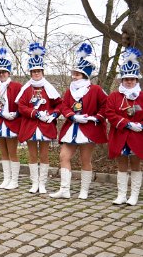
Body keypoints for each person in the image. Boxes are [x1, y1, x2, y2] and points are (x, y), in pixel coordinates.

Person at [50, 43, 108, 199]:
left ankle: (84, 190)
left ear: (85, 75)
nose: (74, 77)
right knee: (64, 156)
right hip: (72, 127)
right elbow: (63, 105)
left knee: (85, 160)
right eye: (74, 74)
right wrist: (71, 115)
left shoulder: (95, 89)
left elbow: (106, 105)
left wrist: (96, 117)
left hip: (88, 129)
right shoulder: (70, 90)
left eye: (77, 74)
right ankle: (65, 189)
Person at [16, 43, 62, 194]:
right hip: (30, 125)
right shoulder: (26, 89)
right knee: (32, 154)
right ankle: (34, 183)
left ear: (42, 71)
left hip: (45, 126)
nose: (36, 73)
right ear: (30, 72)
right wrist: (35, 113)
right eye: (34, 71)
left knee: (44, 154)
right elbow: (21, 106)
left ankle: (42, 183)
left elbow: (59, 105)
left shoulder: (49, 88)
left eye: (38, 71)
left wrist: (53, 114)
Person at [105, 47, 143, 206]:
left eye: (132, 79)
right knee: (121, 164)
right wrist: (127, 123)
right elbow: (110, 113)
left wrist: (140, 125)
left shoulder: (142, 96)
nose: (129, 81)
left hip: (137, 135)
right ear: (122, 80)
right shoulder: (114, 95)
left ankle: (134, 195)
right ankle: (121, 194)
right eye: (126, 79)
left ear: (137, 80)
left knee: (135, 163)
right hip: (120, 134)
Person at [0, 47, 22, 189]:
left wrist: (16, 113)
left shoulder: (17, 86)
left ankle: (14, 180)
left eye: (4, 72)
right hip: (0, 121)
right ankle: (6, 178)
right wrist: (0, 113)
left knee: (12, 152)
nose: (2, 74)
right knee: (3, 152)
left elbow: (22, 102)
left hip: (12, 122)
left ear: (9, 72)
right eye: (0, 72)